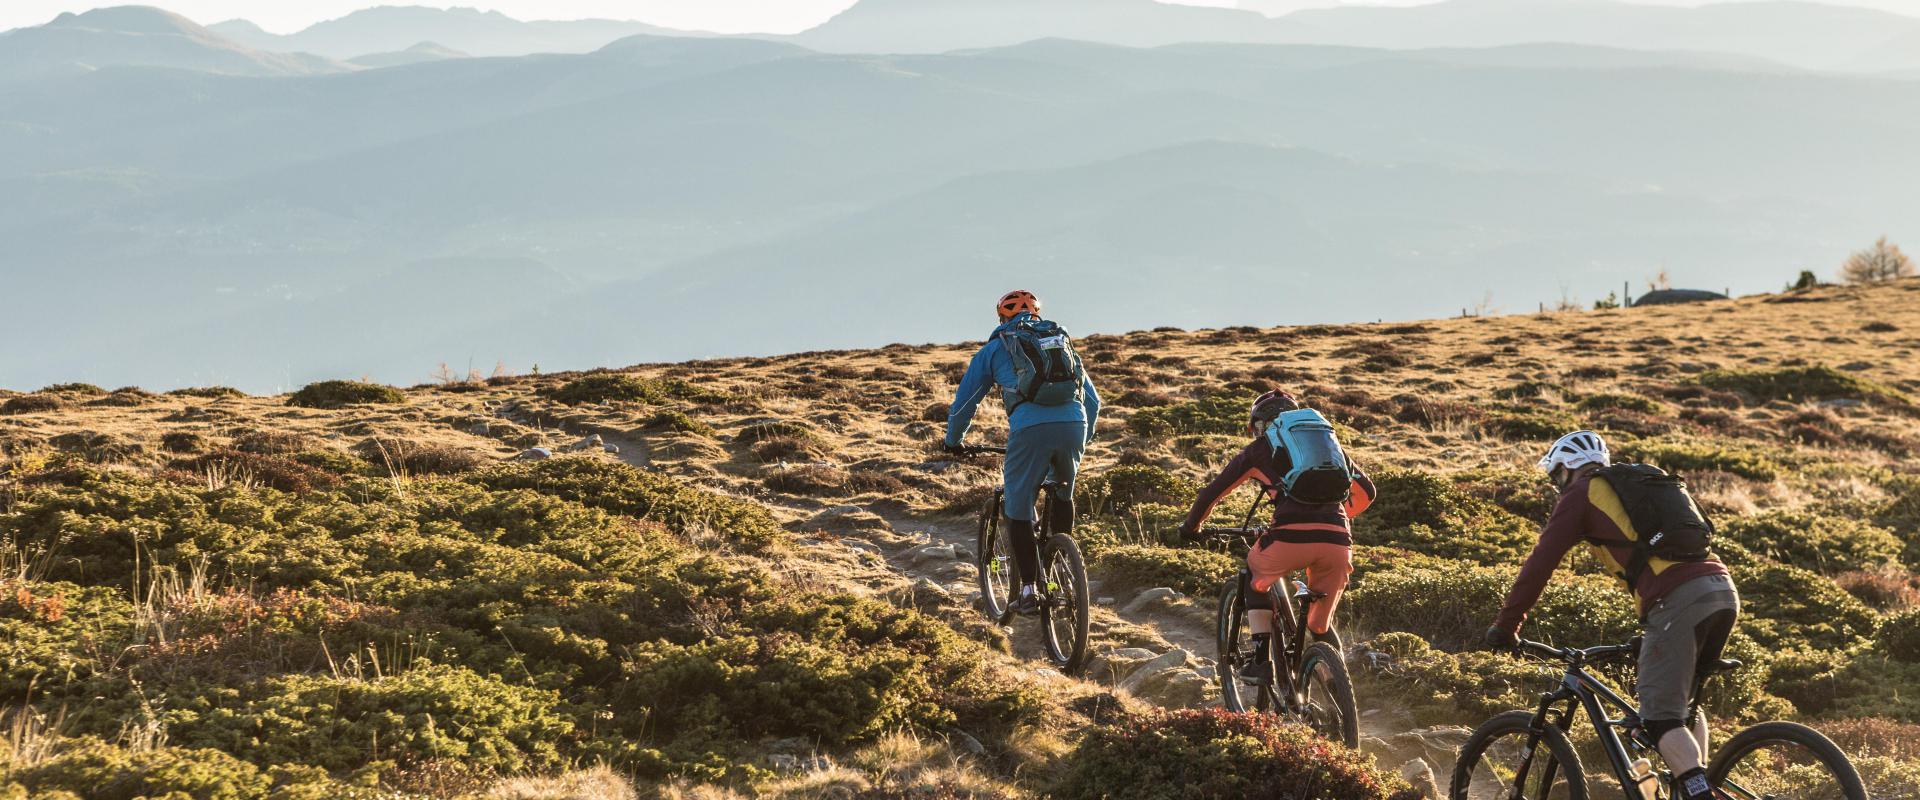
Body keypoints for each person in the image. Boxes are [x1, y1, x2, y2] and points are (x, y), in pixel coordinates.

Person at [1485, 430, 1739, 800]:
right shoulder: (1637, 482)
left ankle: (1699, 792)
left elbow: (1540, 563)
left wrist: (1506, 627)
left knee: (1659, 717)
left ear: (1568, 469)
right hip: (1720, 589)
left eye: (1555, 476)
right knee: (1681, 704)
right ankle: (1691, 785)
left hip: (1677, 599)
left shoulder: (1581, 492)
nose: (1556, 485)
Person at [1177, 389, 1376, 686]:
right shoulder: (1327, 447)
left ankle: (1260, 661)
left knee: (1256, 577)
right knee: (1319, 624)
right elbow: (1367, 492)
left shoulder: (1260, 449)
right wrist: (1335, 520)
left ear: (1260, 425)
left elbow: (1212, 494)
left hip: (1288, 539)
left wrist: (1191, 528)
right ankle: (1337, 686)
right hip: (1337, 543)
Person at [944, 290, 1101, 615]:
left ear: (1002, 318)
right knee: (1061, 493)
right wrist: (1083, 438)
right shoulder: (1061, 343)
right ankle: (1062, 567)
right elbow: (1094, 401)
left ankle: (1029, 590)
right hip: (1075, 425)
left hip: (1030, 432)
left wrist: (953, 441)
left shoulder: (995, 349)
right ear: (1037, 315)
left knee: (1017, 507)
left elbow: (965, 403)